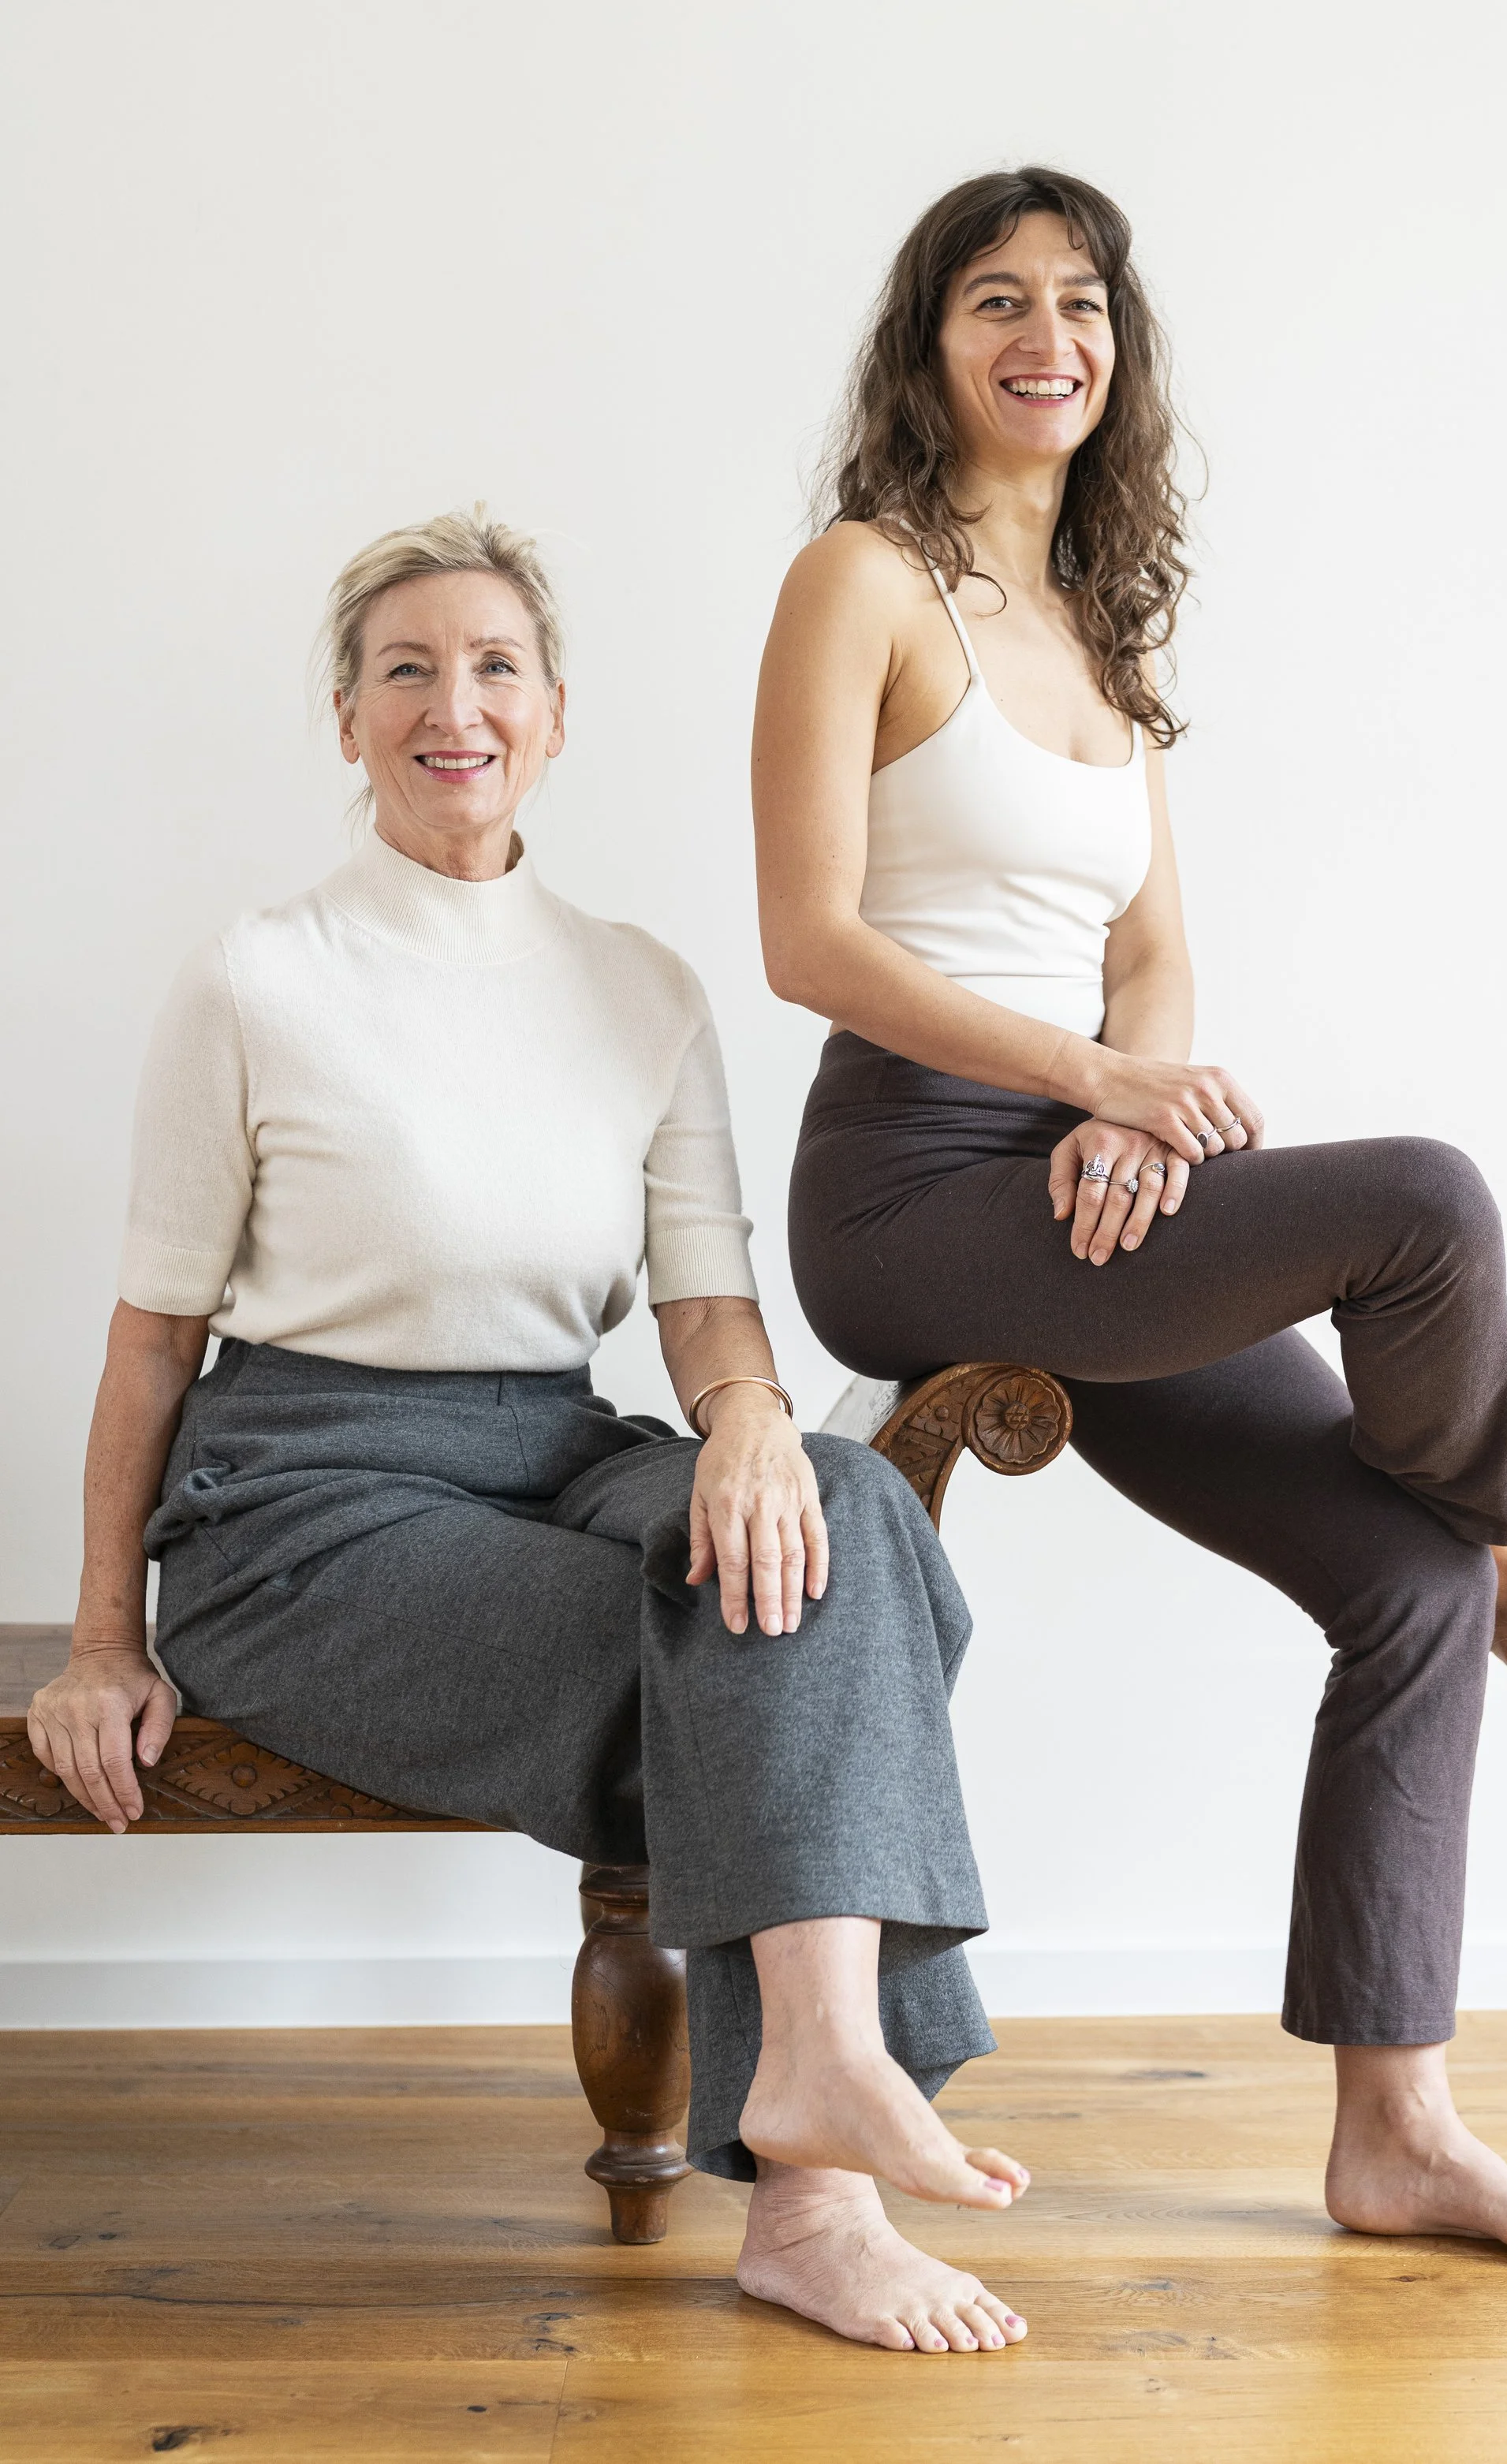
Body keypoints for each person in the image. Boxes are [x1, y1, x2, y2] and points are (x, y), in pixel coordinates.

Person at [752, 168, 1507, 2276]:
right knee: (1425, 1210)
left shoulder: (1099, 619)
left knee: (1400, 1576)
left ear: (1120, 351)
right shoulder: (862, 579)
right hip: (910, 1186)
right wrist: (1088, 1079)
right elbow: (806, 938)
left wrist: (1139, 1109)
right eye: (995, 300)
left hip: (1080, 1187)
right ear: (929, 346)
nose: (1045, 336)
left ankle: (1395, 2124)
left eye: (1081, 304)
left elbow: (1156, 952)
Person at [28, 509, 1030, 2356]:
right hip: (301, 1501)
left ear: (556, 714)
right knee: (752, 1649)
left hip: (555, 1442)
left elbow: (711, 1300)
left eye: (493, 666)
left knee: (836, 1514)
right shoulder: (255, 976)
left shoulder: (641, 985)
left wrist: (742, 1426)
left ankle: (809, 2117)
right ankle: (815, 2177)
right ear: (346, 720)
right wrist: (104, 1634)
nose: (451, 703)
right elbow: (152, 1339)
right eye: (404, 667)